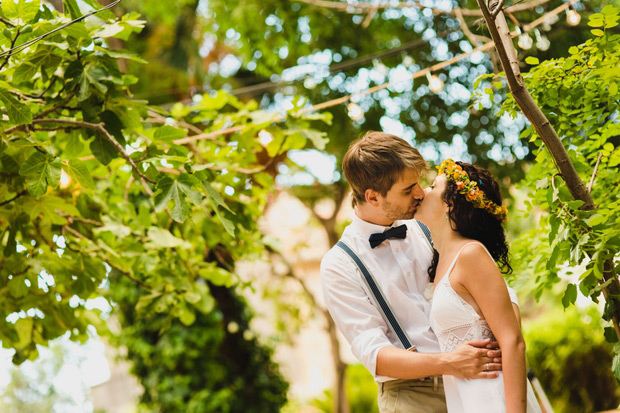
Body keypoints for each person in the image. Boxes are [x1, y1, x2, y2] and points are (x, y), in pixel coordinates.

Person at [321, 131, 519, 412]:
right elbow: (374, 353)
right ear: (373, 197)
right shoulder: (339, 265)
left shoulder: (433, 223)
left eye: (419, 182)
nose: (420, 193)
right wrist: (450, 362)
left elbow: (492, 292)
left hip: (478, 383)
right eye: (407, 189)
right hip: (411, 396)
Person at [414, 159, 540, 412]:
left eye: (432, 186)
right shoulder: (442, 262)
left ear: (450, 204)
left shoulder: (470, 254)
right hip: (466, 401)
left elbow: (513, 341)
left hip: (495, 399)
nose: (422, 192)